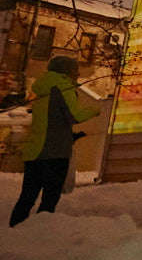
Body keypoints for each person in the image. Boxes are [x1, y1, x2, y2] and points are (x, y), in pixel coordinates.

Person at [9, 56, 99, 227]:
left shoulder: (42, 87)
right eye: (75, 70)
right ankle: (38, 231)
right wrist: (95, 110)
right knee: (50, 198)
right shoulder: (63, 86)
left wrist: (70, 136)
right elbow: (75, 115)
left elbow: (51, 119)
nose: (78, 74)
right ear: (66, 71)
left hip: (35, 150)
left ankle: (15, 228)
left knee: (27, 196)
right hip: (55, 151)